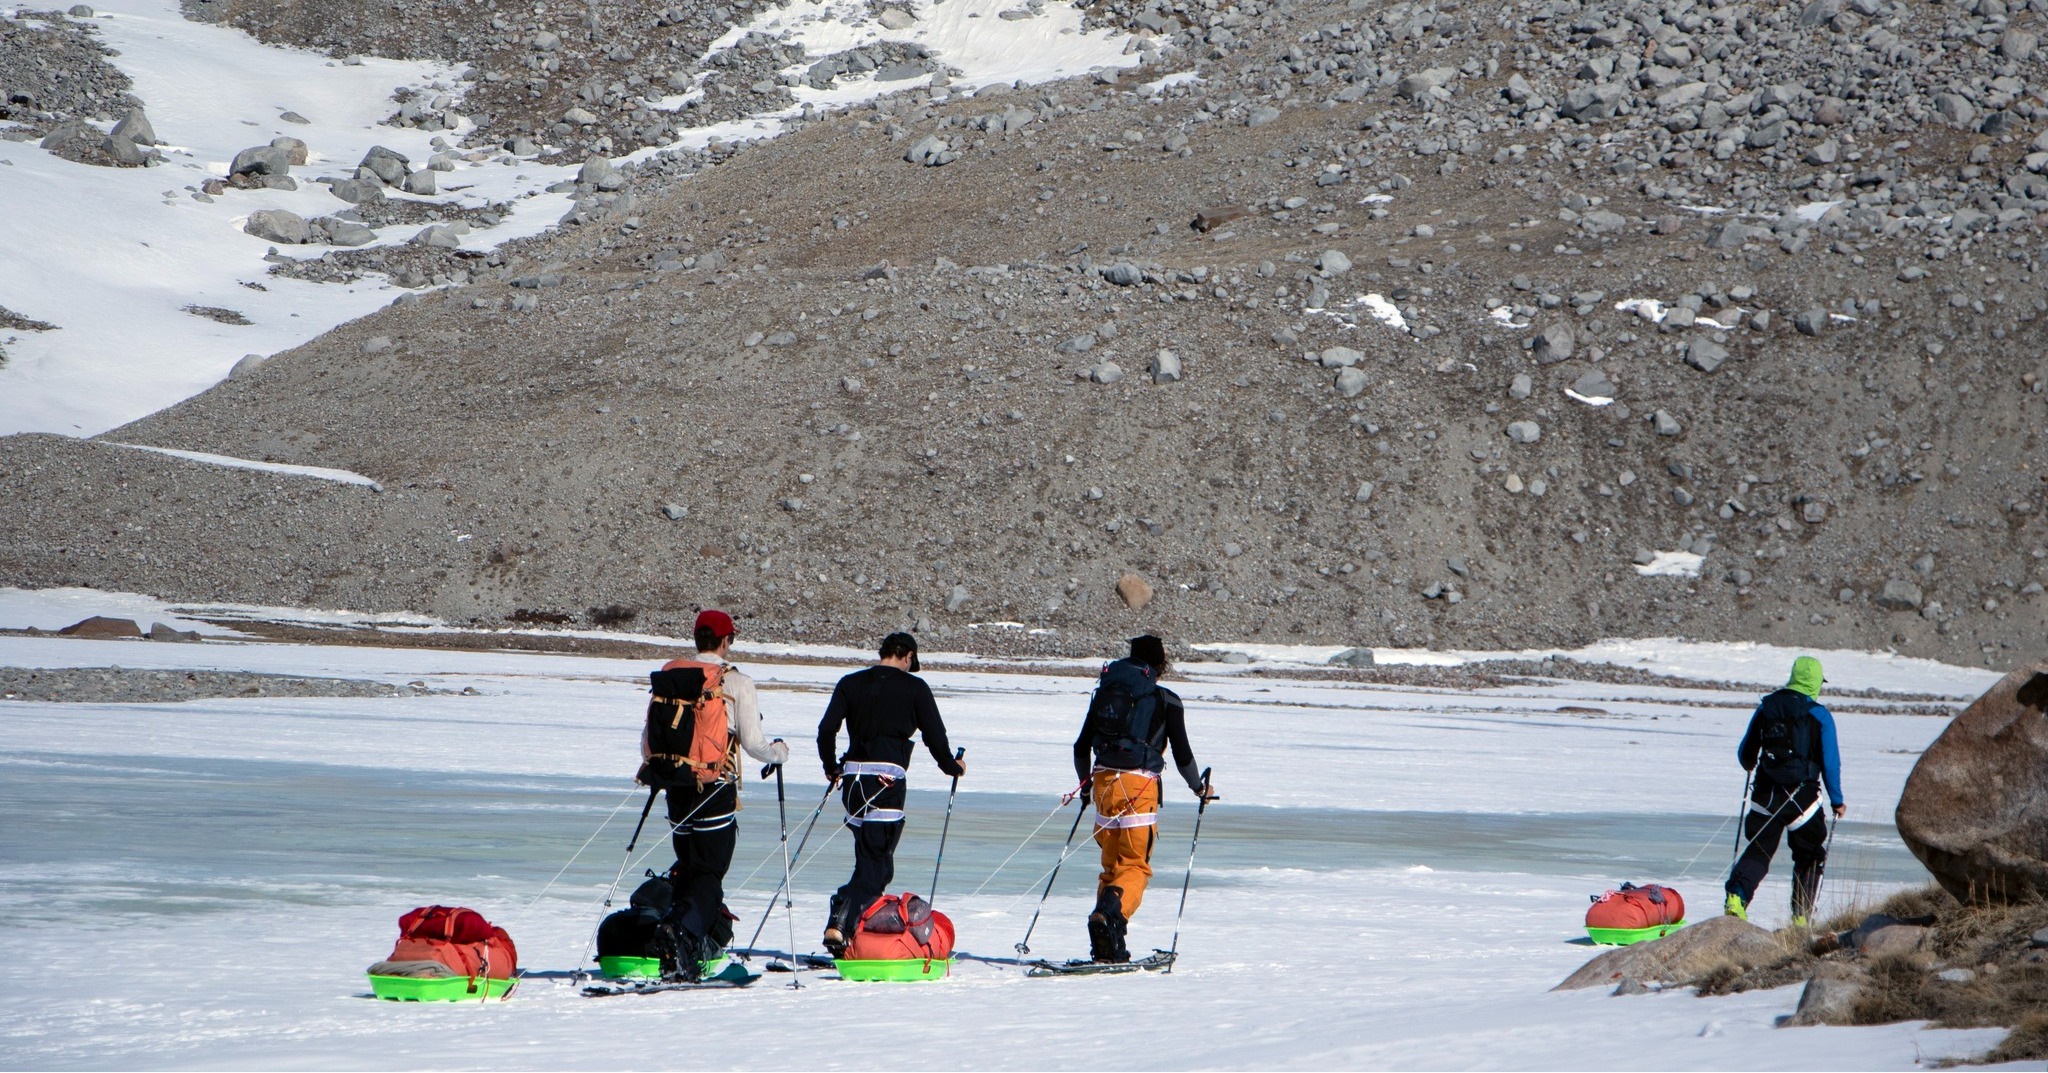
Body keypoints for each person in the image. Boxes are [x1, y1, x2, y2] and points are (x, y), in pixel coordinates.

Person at [639, 609, 788, 975]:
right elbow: (753, 744)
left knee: (689, 868)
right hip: (715, 789)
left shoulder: (672, 675)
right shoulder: (735, 682)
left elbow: (647, 739)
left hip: (676, 787)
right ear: (726, 641)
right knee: (709, 874)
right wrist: (779, 753)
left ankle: (680, 941)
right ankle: (683, 933)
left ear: (696, 639)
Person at [815, 631, 966, 956]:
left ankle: (849, 930)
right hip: (886, 782)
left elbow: (826, 730)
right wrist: (951, 766)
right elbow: (934, 735)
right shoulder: (914, 688)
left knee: (868, 859)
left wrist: (831, 767)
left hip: (853, 781)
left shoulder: (850, 682)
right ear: (908, 656)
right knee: (879, 865)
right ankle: (842, 918)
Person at [1073, 635, 1213, 963]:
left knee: (1111, 867)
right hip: (1139, 787)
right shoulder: (1167, 700)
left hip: (1103, 783)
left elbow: (1081, 747)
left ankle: (1107, 941)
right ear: (1160, 664)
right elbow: (1182, 755)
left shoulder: (1106, 694)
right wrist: (1198, 788)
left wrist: (1084, 788)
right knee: (1134, 865)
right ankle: (1110, 918)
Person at [1725, 655, 1844, 927]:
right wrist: (1837, 800)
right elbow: (1831, 763)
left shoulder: (1766, 707)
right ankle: (1801, 917)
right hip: (1804, 800)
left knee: (1759, 850)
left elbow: (1746, 753)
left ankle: (1736, 898)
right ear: (1815, 682)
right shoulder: (1819, 715)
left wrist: (1749, 763)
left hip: (1766, 794)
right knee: (1809, 855)